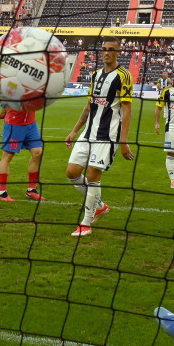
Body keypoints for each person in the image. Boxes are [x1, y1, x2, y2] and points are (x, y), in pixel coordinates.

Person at [65, 36, 134, 237]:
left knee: (93, 175)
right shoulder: (95, 75)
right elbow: (88, 107)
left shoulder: (124, 76)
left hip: (107, 136)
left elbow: (127, 110)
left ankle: (86, 223)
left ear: (118, 52)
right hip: (87, 134)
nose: (106, 52)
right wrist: (74, 130)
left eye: (111, 49)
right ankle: (100, 206)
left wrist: (123, 141)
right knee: (72, 172)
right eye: (104, 49)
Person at [0, 104, 45, 202]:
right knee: (8, 155)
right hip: (15, 124)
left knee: (37, 152)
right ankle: (2, 192)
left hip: (31, 124)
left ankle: (31, 190)